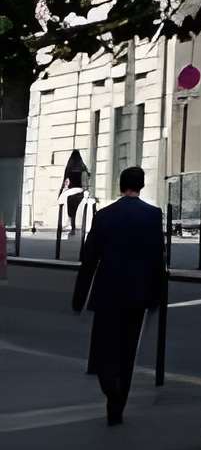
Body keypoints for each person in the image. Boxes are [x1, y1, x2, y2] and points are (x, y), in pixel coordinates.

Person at [71, 165, 163, 426]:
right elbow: (158, 259)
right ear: (142, 185)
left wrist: (79, 298)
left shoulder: (104, 215)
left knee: (103, 348)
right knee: (127, 351)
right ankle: (117, 404)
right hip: (137, 293)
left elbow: (88, 260)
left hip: (108, 292)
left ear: (121, 185)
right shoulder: (153, 215)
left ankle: (109, 387)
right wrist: (157, 295)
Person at [61, 149, 88, 231]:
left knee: (67, 205)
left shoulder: (69, 167)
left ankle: (69, 223)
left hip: (71, 190)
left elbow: (65, 180)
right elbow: (85, 181)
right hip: (80, 190)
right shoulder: (83, 167)